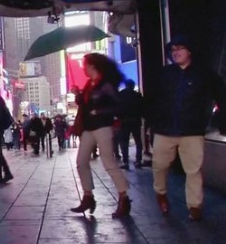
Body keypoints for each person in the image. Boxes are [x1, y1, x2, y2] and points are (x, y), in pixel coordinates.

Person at [147, 36, 226, 221]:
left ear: (190, 51)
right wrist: (153, 119)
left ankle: (195, 206)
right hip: (164, 129)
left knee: (193, 170)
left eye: (180, 48)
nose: (176, 52)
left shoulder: (204, 74)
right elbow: (152, 98)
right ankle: (161, 193)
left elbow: (221, 95)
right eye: (173, 49)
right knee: (159, 165)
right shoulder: (165, 74)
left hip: (192, 130)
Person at [71, 53, 131, 218]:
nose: (83, 67)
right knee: (81, 161)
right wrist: (78, 95)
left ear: (93, 66)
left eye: (85, 64)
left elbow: (119, 106)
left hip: (103, 126)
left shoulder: (105, 84)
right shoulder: (89, 84)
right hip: (88, 128)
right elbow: (84, 106)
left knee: (108, 162)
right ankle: (88, 196)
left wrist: (99, 111)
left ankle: (124, 197)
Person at [118, 79, 144, 169]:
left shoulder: (121, 95)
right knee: (138, 141)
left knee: (124, 142)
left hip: (124, 121)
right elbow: (142, 108)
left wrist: (119, 117)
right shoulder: (137, 95)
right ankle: (138, 160)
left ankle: (125, 161)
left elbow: (117, 108)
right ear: (133, 86)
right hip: (135, 121)